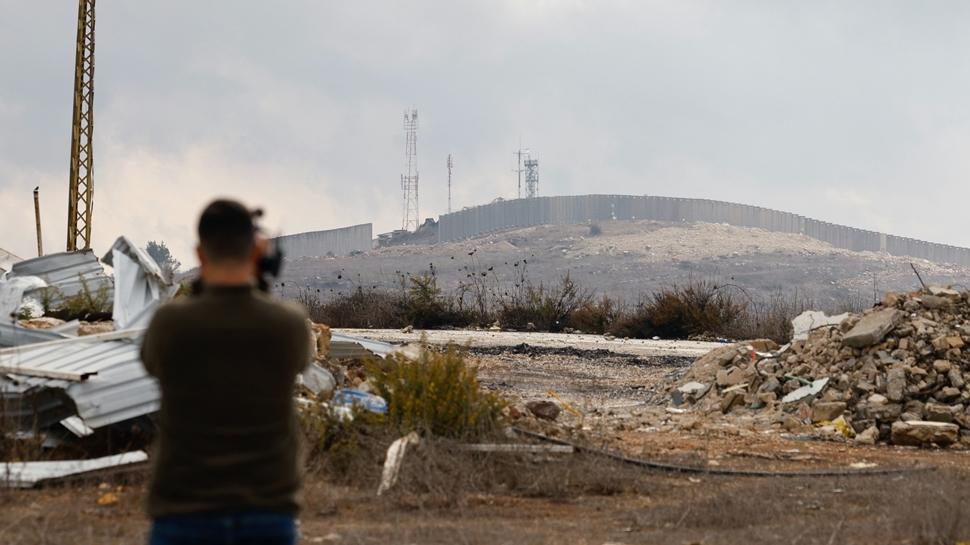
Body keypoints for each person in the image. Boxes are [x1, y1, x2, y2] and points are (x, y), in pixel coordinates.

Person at [141, 199, 311, 545]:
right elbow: (300, 361)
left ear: (200, 254)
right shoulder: (289, 324)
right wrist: (259, 278)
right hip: (268, 511)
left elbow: (151, 363)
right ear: (255, 251)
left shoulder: (169, 324)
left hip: (183, 510)